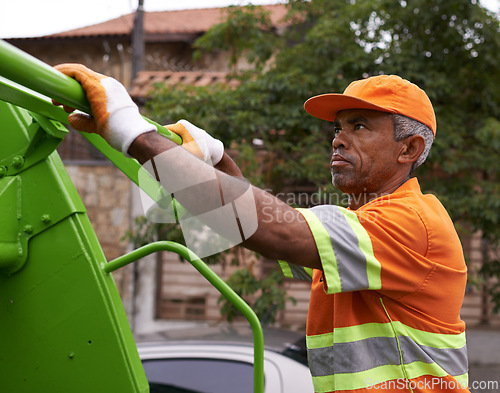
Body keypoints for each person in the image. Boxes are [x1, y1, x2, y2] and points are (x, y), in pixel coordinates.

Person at [53, 64, 469, 393]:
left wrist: (131, 130)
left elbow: (275, 231)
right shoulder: (365, 232)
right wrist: (218, 161)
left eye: (359, 126)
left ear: (409, 148)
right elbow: (272, 235)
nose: (338, 139)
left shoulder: (409, 223)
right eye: (338, 128)